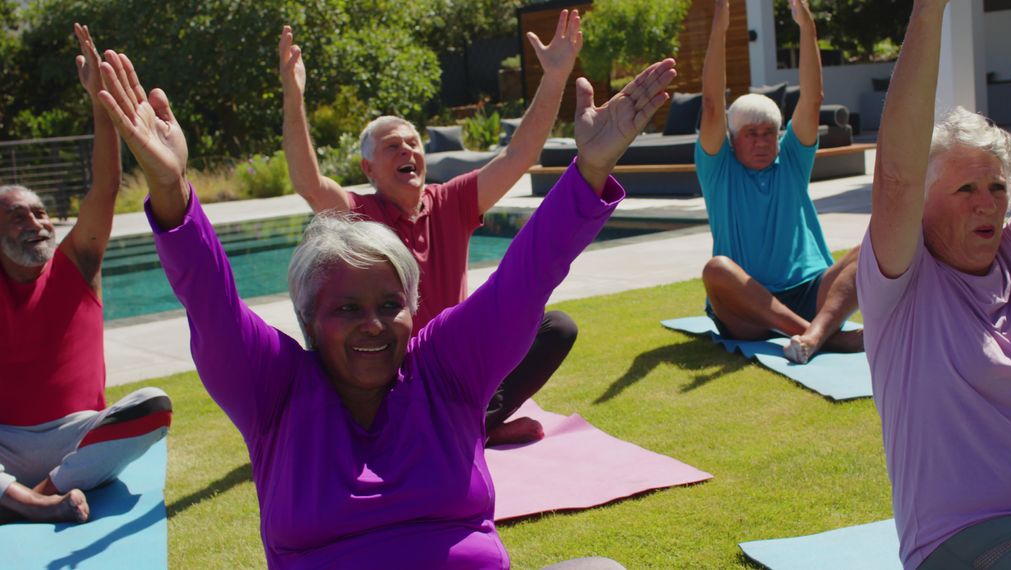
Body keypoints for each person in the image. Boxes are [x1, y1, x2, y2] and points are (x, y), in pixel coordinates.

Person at [96, 34, 675, 567]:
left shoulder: (444, 367)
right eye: (346, 308)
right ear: (308, 320)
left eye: (389, 304)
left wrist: (591, 169)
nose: (372, 324)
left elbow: (527, 276)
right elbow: (211, 301)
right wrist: (171, 188)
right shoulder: (275, 390)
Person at [278, 11, 583, 445]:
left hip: (454, 359)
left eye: (413, 143)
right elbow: (309, 183)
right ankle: (463, 425)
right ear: (368, 168)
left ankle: (475, 425)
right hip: (389, 368)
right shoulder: (359, 212)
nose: (407, 150)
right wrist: (294, 94)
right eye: (392, 146)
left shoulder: (452, 201)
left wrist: (554, 77)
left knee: (557, 328)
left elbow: (518, 155)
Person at [860, 1, 1011, 568]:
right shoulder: (902, 287)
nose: (988, 204)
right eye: (966, 190)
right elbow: (897, 176)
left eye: (998, 188)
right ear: (925, 203)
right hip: (973, 534)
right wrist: (930, 11)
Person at [0, 25, 171, 525]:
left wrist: (100, 101)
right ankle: (36, 500)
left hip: (79, 434)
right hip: (4, 439)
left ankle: (36, 494)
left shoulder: (77, 261)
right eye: (17, 217)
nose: (36, 223)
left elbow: (106, 184)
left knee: (153, 406)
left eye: (40, 213)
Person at [696, 0, 861, 364]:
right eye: (750, 134)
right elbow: (711, 104)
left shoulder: (790, 162)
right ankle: (826, 337)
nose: (761, 142)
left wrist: (807, 29)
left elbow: (812, 100)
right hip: (747, 308)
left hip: (810, 292)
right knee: (716, 270)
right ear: (733, 138)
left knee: (872, 249)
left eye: (769, 133)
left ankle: (812, 335)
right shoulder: (719, 170)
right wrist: (720, 30)